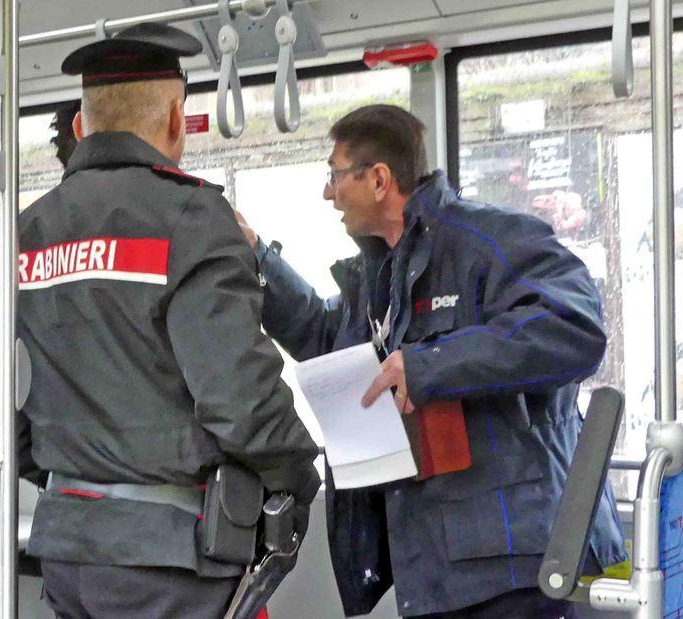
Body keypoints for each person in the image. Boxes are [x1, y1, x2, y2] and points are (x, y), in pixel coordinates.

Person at [0, 23, 319, 619]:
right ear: (178, 120)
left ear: (81, 128)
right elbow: (240, 400)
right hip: (172, 561)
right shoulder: (192, 219)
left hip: (67, 552)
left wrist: (76, 476)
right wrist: (299, 476)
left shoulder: (16, 237)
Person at [235, 104, 626, 618]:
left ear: (379, 179)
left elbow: (573, 328)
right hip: (436, 571)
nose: (329, 194)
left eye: (334, 175)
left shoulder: (491, 240)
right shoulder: (377, 277)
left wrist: (428, 365)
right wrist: (257, 258)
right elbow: (326, 336)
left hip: (528, 565)